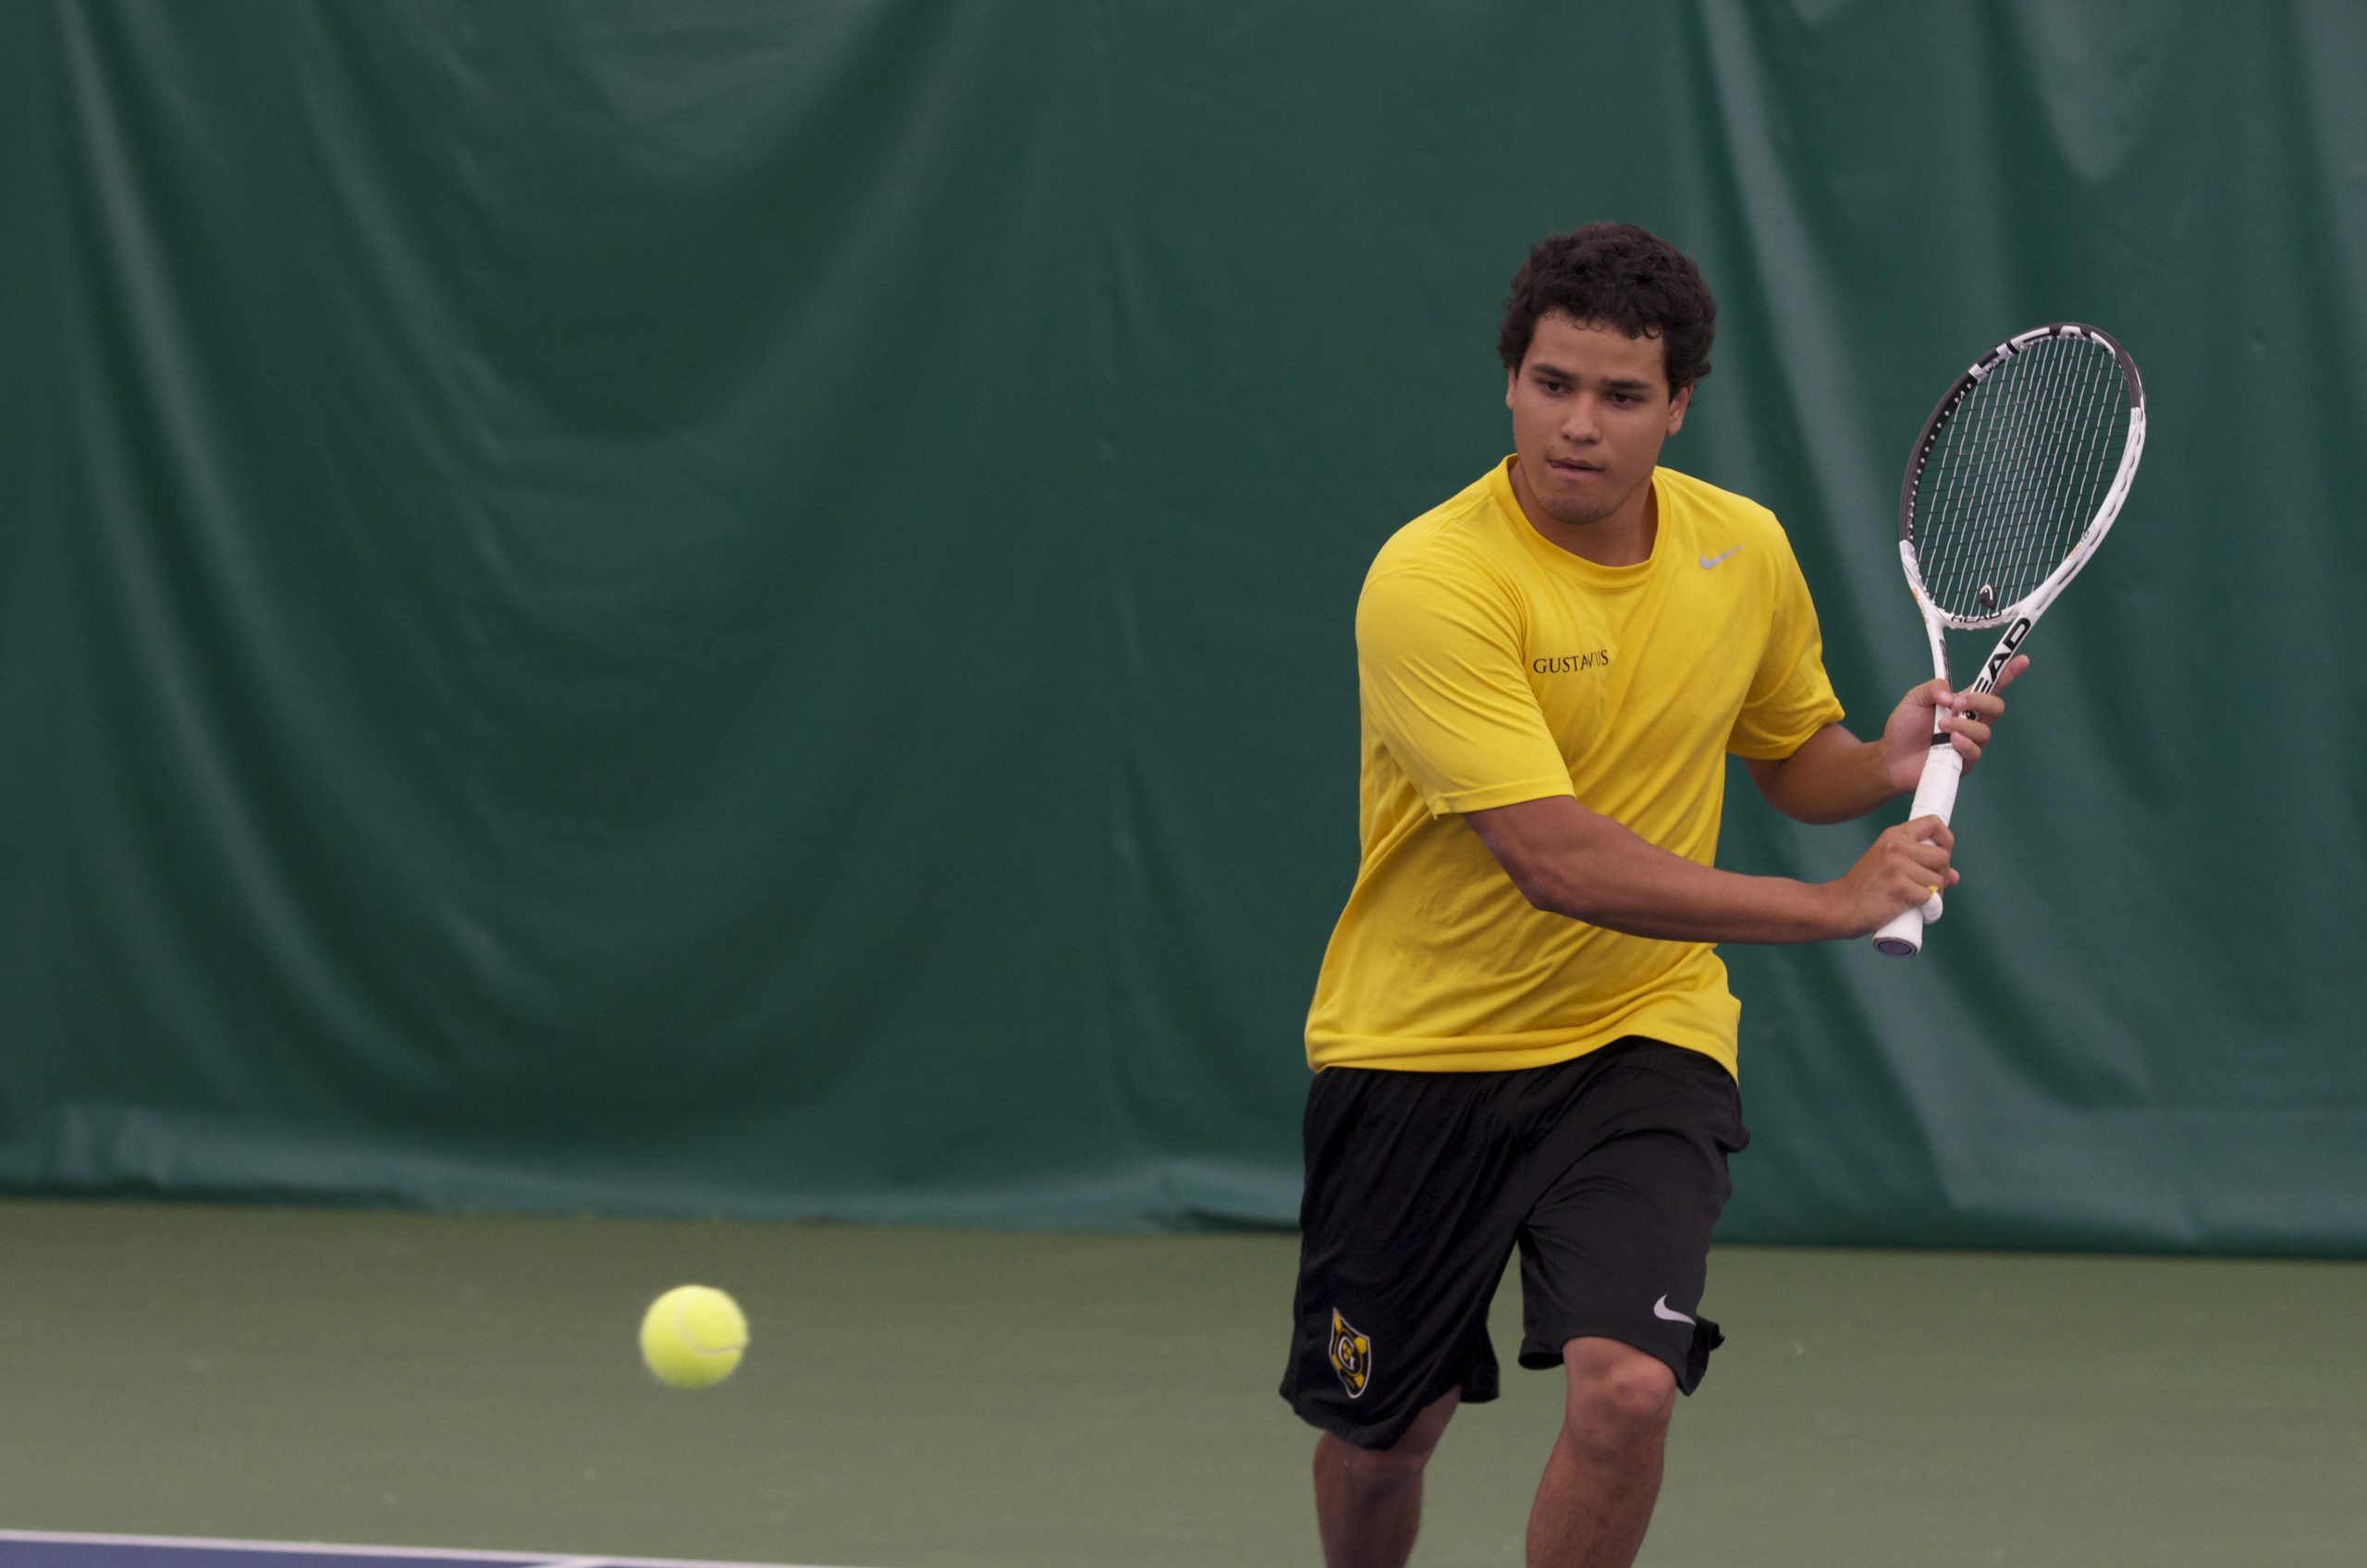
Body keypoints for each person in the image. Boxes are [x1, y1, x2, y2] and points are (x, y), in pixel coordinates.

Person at [1278, 223, 2025, 1568]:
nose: (1580, 425)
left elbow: (1795, 759)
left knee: (1626, 1391)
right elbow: (1555, 859)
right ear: (1509, 380)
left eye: (1622, 396)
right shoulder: (1433, 581)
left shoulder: (1740, 548)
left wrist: (1883, 762)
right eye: (1553, 384)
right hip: (1419, 1050)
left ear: (1677, 407)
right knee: (1390, 1434)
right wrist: (1832, 907)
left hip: (1642, 1038)